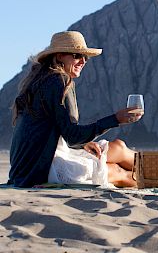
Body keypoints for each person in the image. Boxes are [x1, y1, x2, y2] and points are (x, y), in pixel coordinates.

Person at [8, 31, 141, 188]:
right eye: (77, 55)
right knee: (117, 171)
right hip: (40, 169)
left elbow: (63, 133)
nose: (83, 61)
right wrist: (116, 119)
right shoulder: (60, 81)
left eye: (86, 57)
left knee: (118, 147)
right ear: (59, 56)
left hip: (24, 168)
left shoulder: (39, 81)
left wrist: (83, 144)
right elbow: (73, 137)